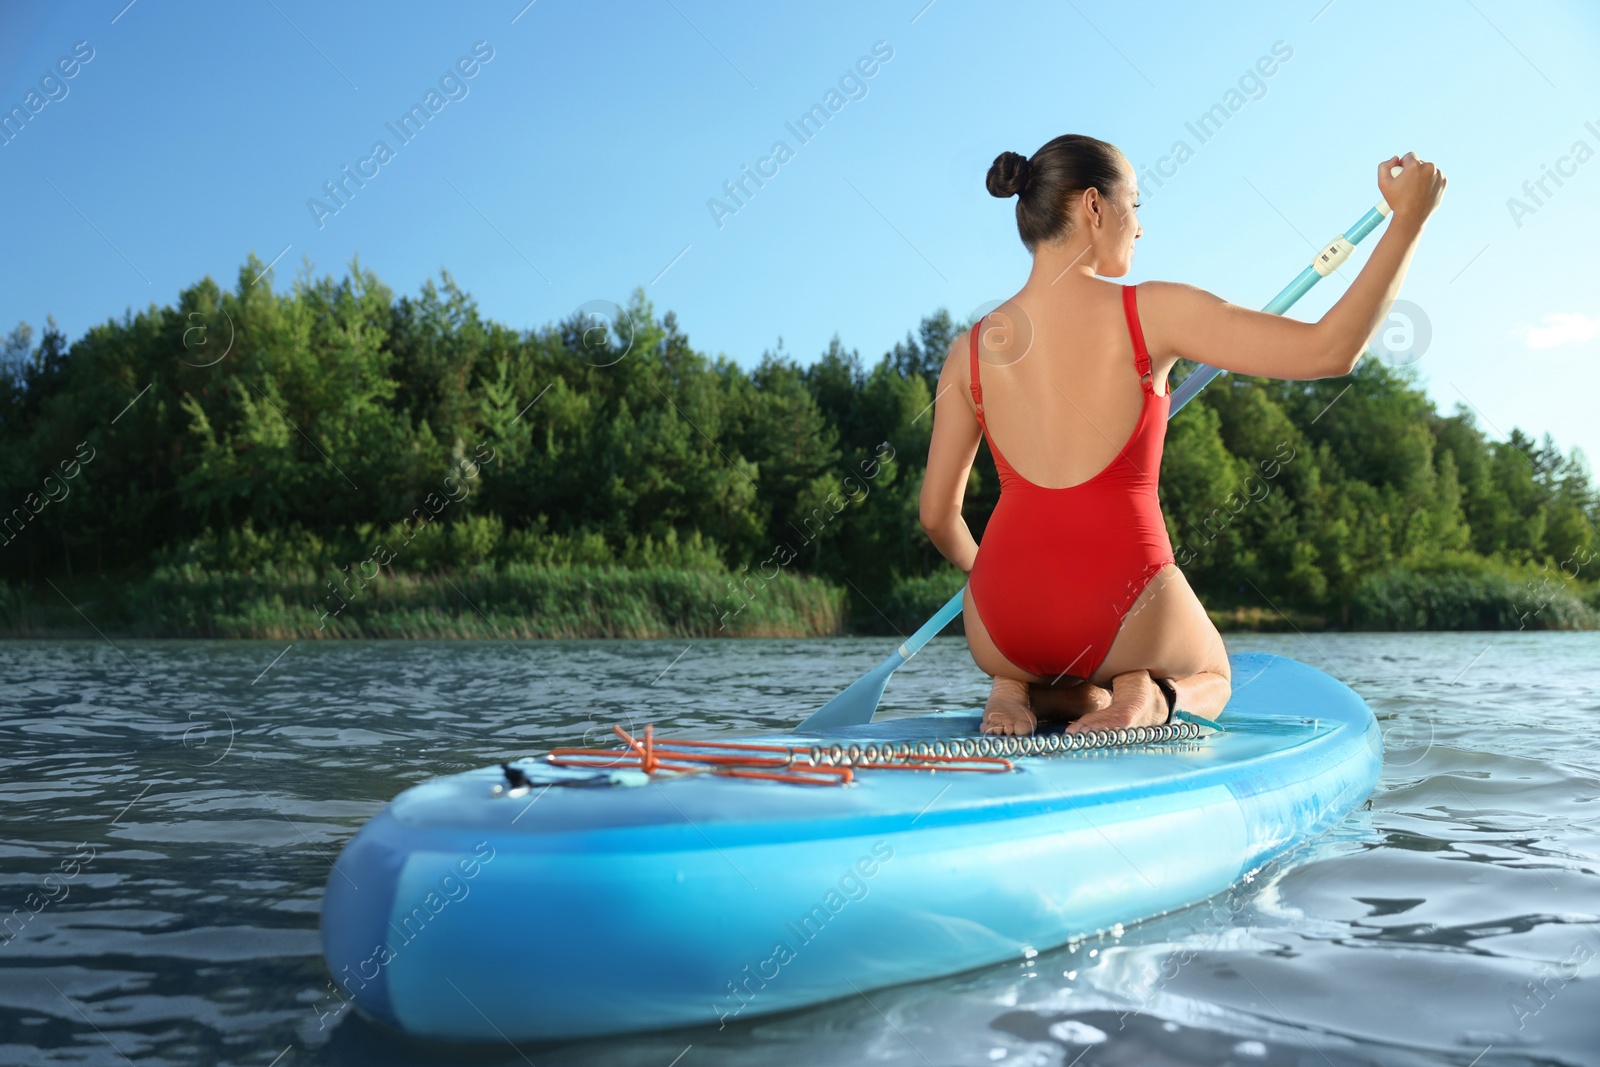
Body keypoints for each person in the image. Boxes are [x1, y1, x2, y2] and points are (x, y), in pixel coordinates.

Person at [918, 136, 1446, 736]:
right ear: (1094, 207)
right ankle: (1153, 698)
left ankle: (1015, 691)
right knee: (1216, 674)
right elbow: (1331, 350)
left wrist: (1003, 580)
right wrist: (1407, 219)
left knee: (1077, 686)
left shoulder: (969, 351)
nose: (1138, 229)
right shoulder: (1153, 311)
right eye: (1135, 206)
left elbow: (938, 515)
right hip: (1124, 603)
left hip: (998, 621)